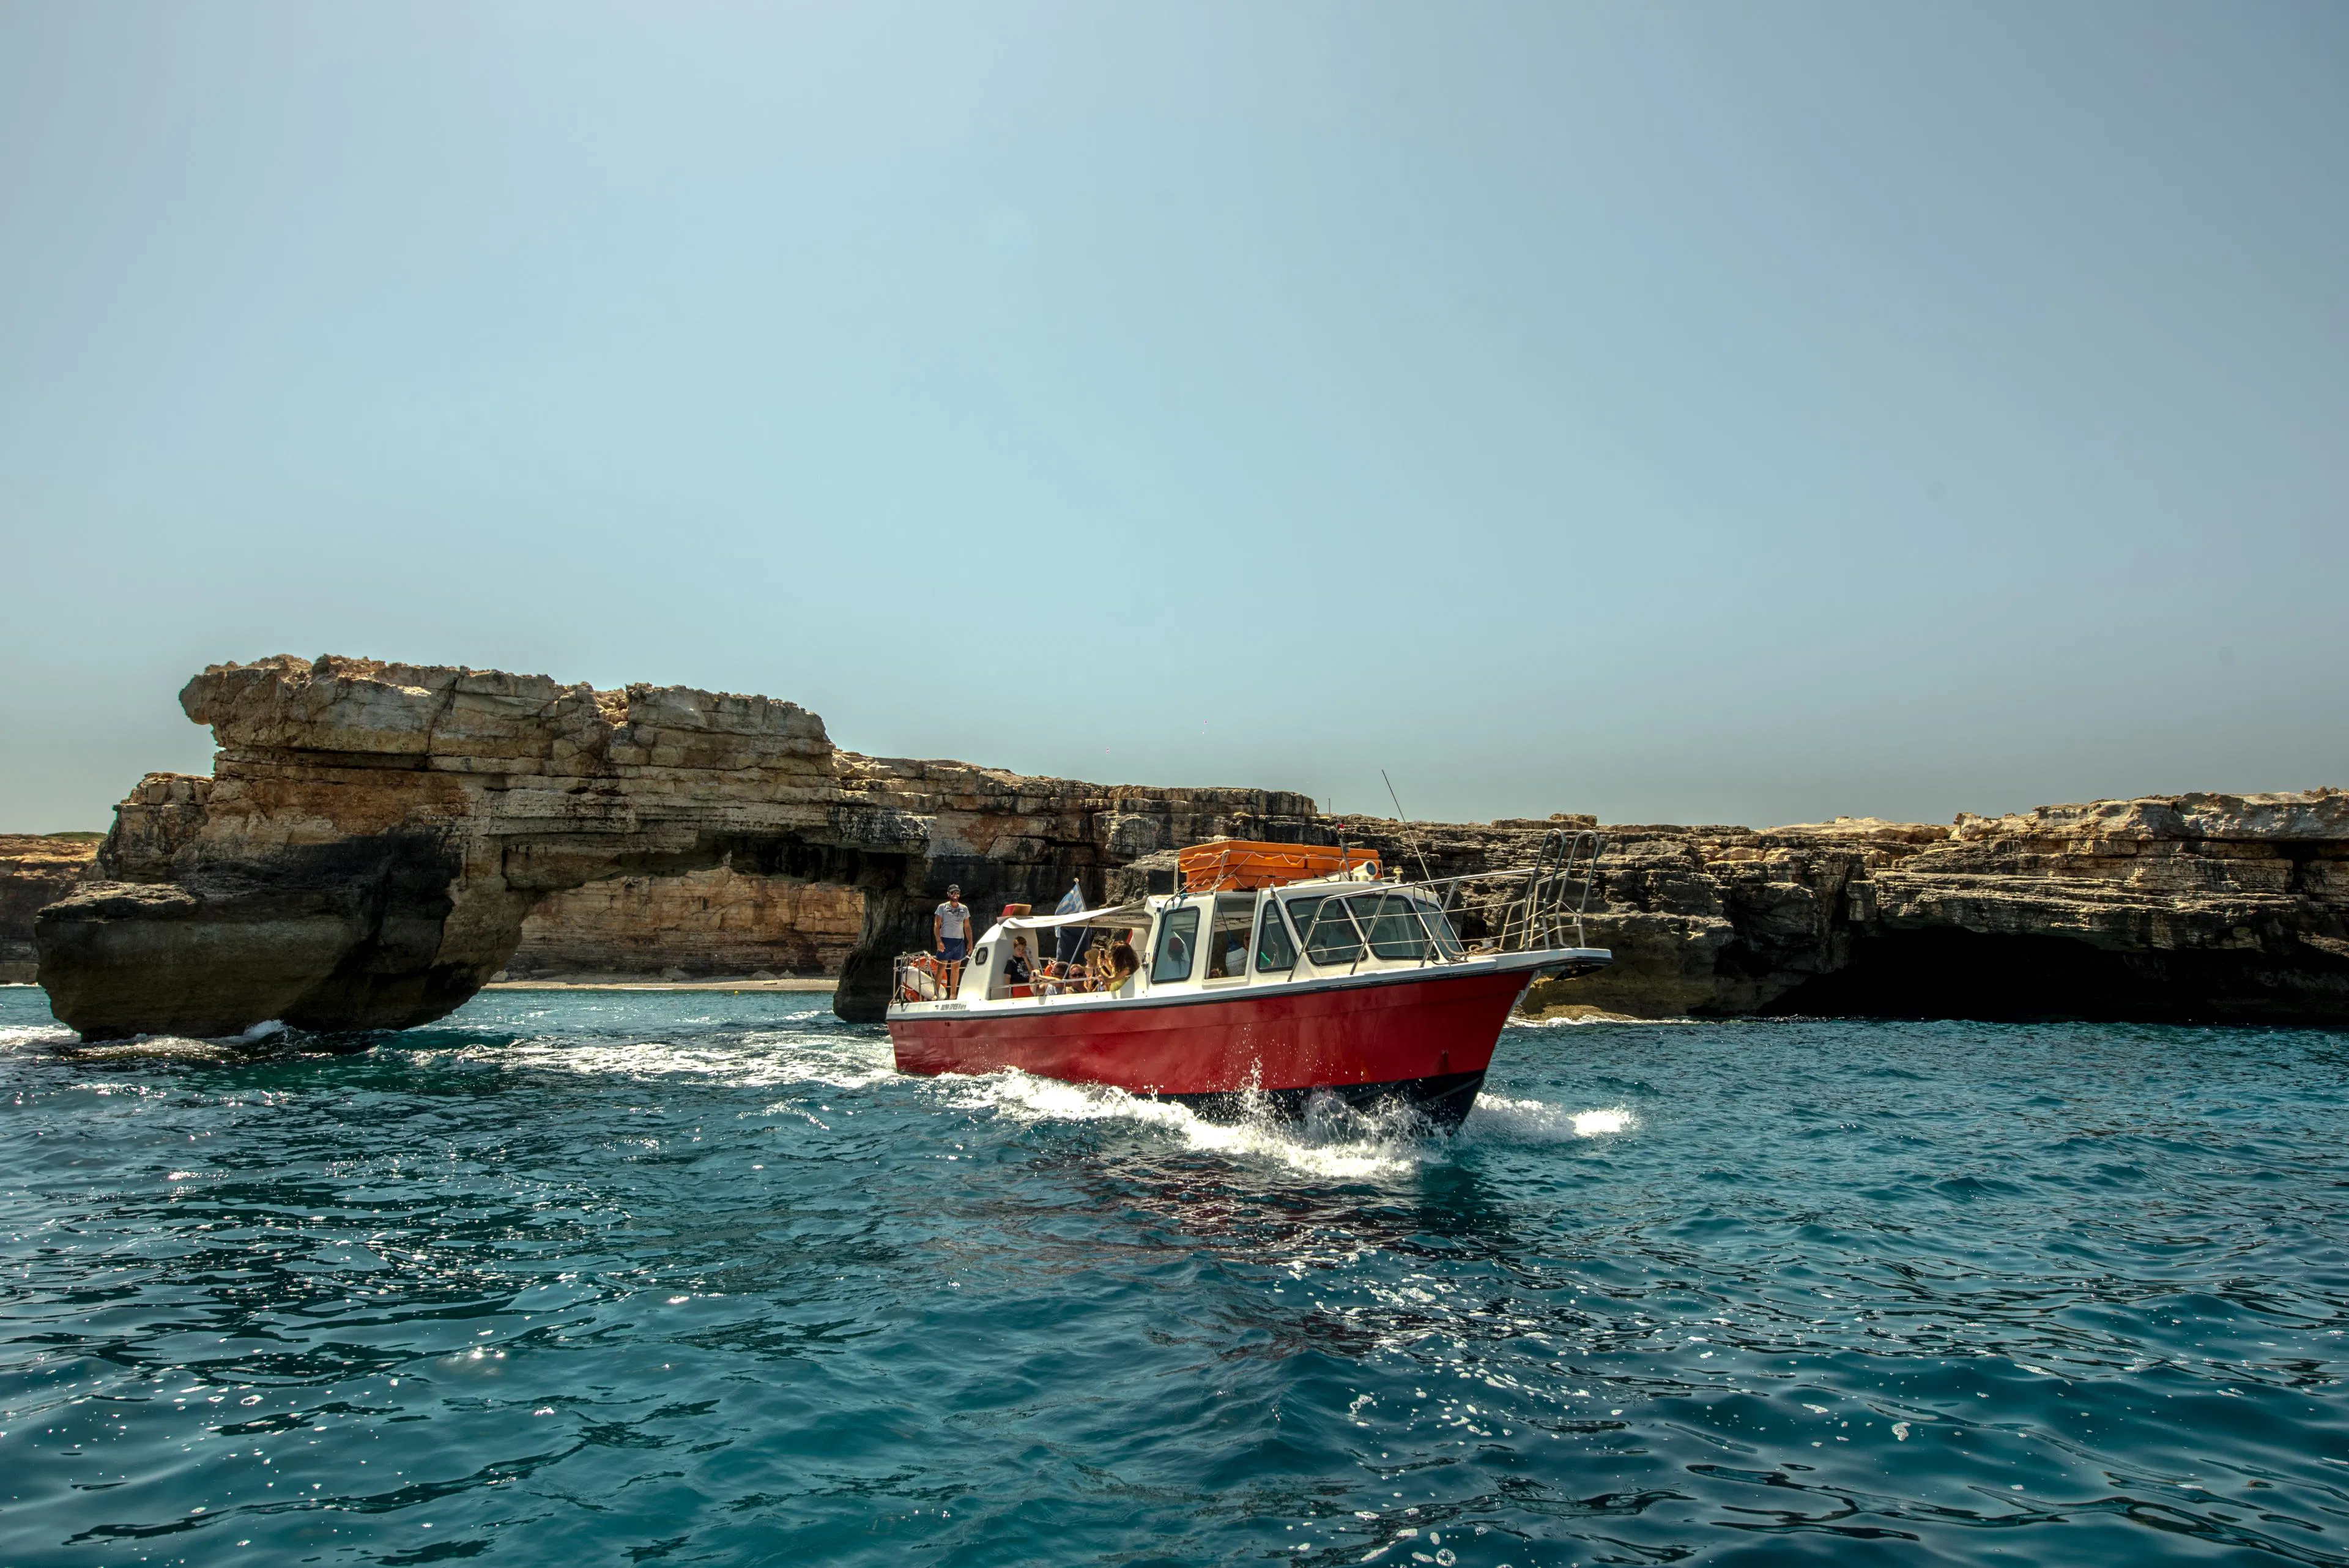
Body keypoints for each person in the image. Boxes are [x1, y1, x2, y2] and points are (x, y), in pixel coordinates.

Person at [933, 884, 973, 997]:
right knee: (941, 968)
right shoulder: (942, 907)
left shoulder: (964, 909)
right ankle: (935, 994)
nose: (955, 895)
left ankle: (953, 995)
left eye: (957, 893)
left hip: (959, 941)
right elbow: (937, 925)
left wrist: (970, 942)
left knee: (956, 969)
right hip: (945, 940)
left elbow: (967, 926)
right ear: (948, 894)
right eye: (953, 893)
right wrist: (939, 941)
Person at [1107, 929, 1141, 993]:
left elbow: (1108, 980)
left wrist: (1100, 968)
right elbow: (1112, 972)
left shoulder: (1126, 970)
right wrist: (1105, 964)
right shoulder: (1120, 968)